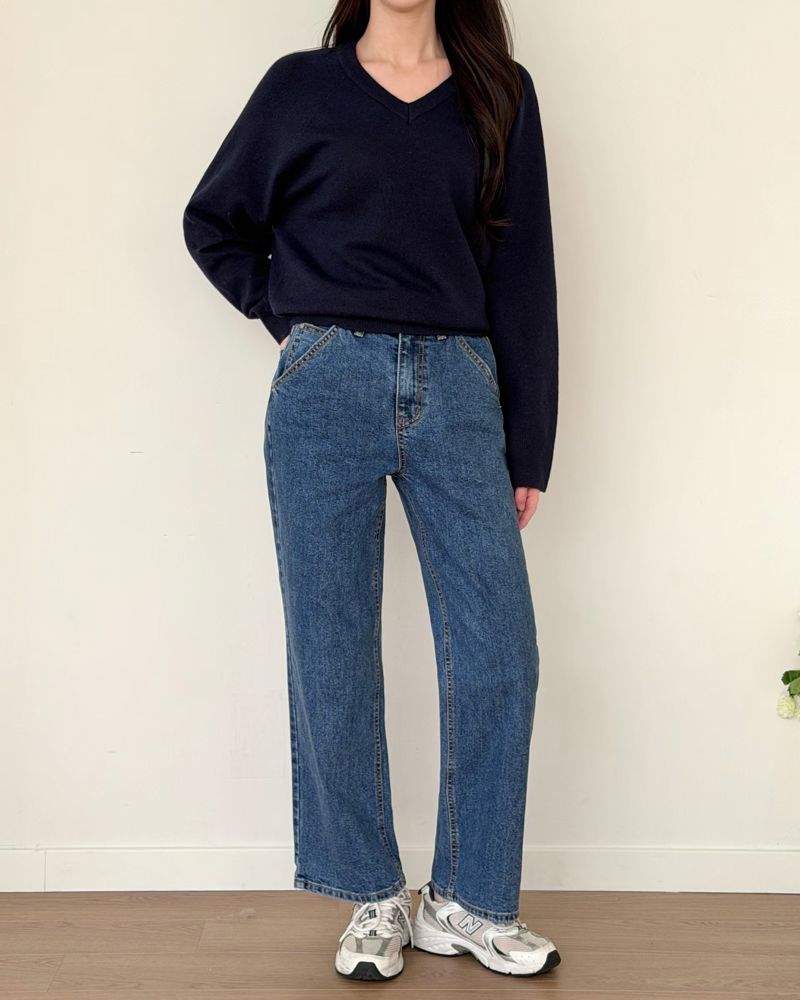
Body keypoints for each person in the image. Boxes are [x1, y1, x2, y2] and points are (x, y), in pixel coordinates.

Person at [183, 0, 560, 982]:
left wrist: (529, 445)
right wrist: (292, 316)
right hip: (326, 388)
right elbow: (212, 221)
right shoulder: (300, 88)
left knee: (500, 651)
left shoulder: (499, 95)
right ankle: (372, 893)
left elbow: (524, 271)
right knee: (333, 647)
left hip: (461, 389)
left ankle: (468, 900)